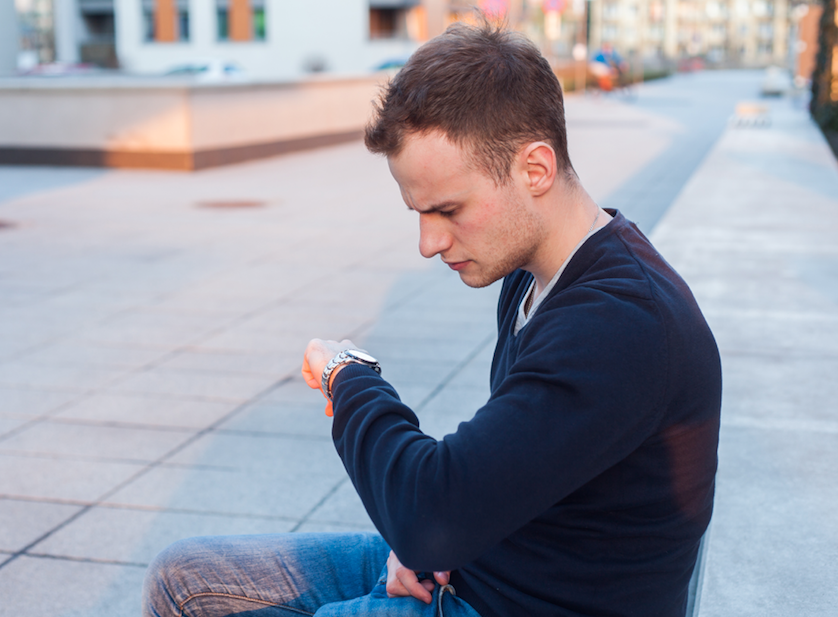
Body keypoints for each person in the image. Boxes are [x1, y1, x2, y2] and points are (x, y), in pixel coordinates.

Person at [143, 21, 721, 617]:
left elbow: (431, 512)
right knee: (182, 577)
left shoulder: (621, 324)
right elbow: (488, 481)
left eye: (448, 210)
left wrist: (349, 375)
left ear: (535, 169)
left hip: (519, 604)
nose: (427, 242)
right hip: (478, 564)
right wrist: (437, 541)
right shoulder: (535, 274)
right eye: (419, 212)